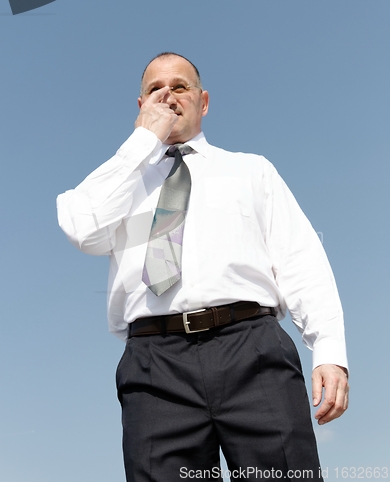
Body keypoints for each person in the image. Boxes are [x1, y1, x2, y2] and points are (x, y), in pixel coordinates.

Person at [57, 52, 349, 481]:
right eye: (155, 89)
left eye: (180, 86)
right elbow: (82, 228)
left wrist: (328, 349)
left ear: (203, 101)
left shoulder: (251, 170)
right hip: (155, 365)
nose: (167, 95)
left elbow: (300, 258)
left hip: (252, 348)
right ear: (140, 107)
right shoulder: (119, 183)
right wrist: (143, 144)